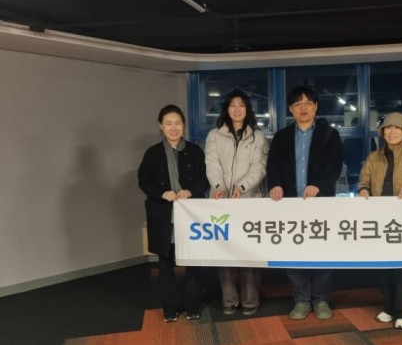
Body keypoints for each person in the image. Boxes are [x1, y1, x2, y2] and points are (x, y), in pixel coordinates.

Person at [266, 85, 343, 320]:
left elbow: (335, 166)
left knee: (322, 252)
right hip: (290, 205)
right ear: (291, 108)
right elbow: (272, 166)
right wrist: (275, 185)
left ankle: (320, 299)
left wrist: (319, 184)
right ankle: (301, 299)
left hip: (320, 204)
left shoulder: (330, 135)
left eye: (308, 103)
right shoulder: (281, 137)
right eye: (298, 104)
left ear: (316, 106)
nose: (303, 107)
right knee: (294, 251)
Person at [357, 112, 402, 330]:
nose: (392, 131)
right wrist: (363, 190)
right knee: (385, 266)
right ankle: (389, 308)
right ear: (382, 132)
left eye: (396, 128)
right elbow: (363, 181)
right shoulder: (374, 157)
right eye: (388, 128)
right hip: (381, 219)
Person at [138, 105, 210, 322]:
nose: (173, 127)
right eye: (168, 123)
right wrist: (161, 193)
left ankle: (193, 305)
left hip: (190, 216)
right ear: (161, 126)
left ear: (184, 125)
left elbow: (205, 179)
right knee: (165, 263)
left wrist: (191, 191)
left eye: (177, 123)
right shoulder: (152, 153)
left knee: (192, 263)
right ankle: (169, 308)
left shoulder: (195, 151)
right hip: (163, 216)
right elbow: (143, 182)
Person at [205, 89, 268, 316]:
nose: (237, 109)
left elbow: (259, 168)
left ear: (247, 109)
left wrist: (242, 187)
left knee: (248, 250)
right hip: (221, 201)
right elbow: (212, 163)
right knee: (225, 251)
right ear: (227, 109)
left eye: (241, 105)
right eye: (232, 105)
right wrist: (219, 186)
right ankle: (229, 299)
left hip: (249, 200)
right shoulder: (214, 136)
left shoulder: (258, 137)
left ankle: (250, 299)